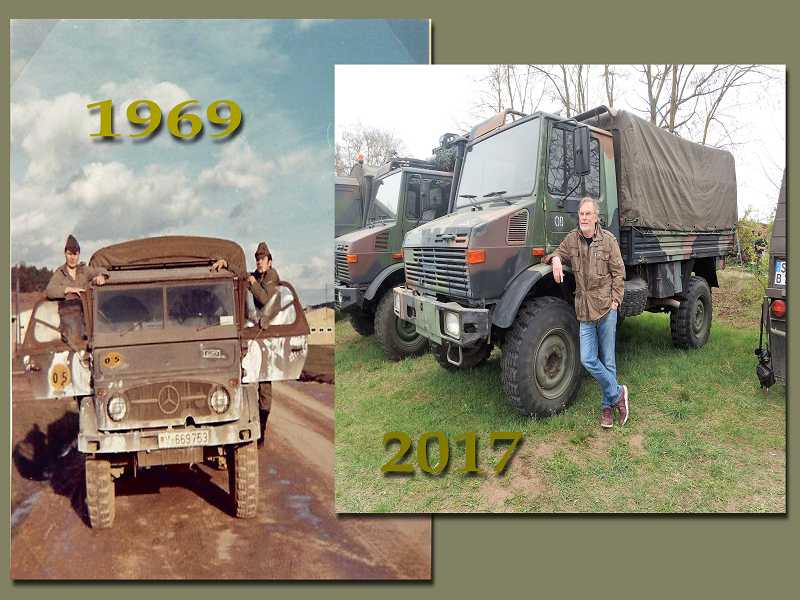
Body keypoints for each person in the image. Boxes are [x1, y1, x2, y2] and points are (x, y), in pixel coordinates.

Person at [545, 197, 629, 428]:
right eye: (581, 214)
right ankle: (618, 393)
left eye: (588, 214)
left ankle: (606, 408)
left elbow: (619, 274)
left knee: (608, 360)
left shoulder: (608, 241)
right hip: (584, 310)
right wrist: (555, 261)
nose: (583, 218)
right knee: (588, 359)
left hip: (605, 309)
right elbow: (555, 253)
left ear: (596, 217)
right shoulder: (572, 239)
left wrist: (615, 303)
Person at [45, 234, 108, 348]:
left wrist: (101, 276)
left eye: (75, 254)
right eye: (69, 254)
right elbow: (49, 291)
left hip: (87, 317)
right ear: (65, 254)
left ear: (78, 255)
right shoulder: (60, 273)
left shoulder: (84, 270)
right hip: (68, 319)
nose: (72, 258)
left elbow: (100, 270)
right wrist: (68, 289)